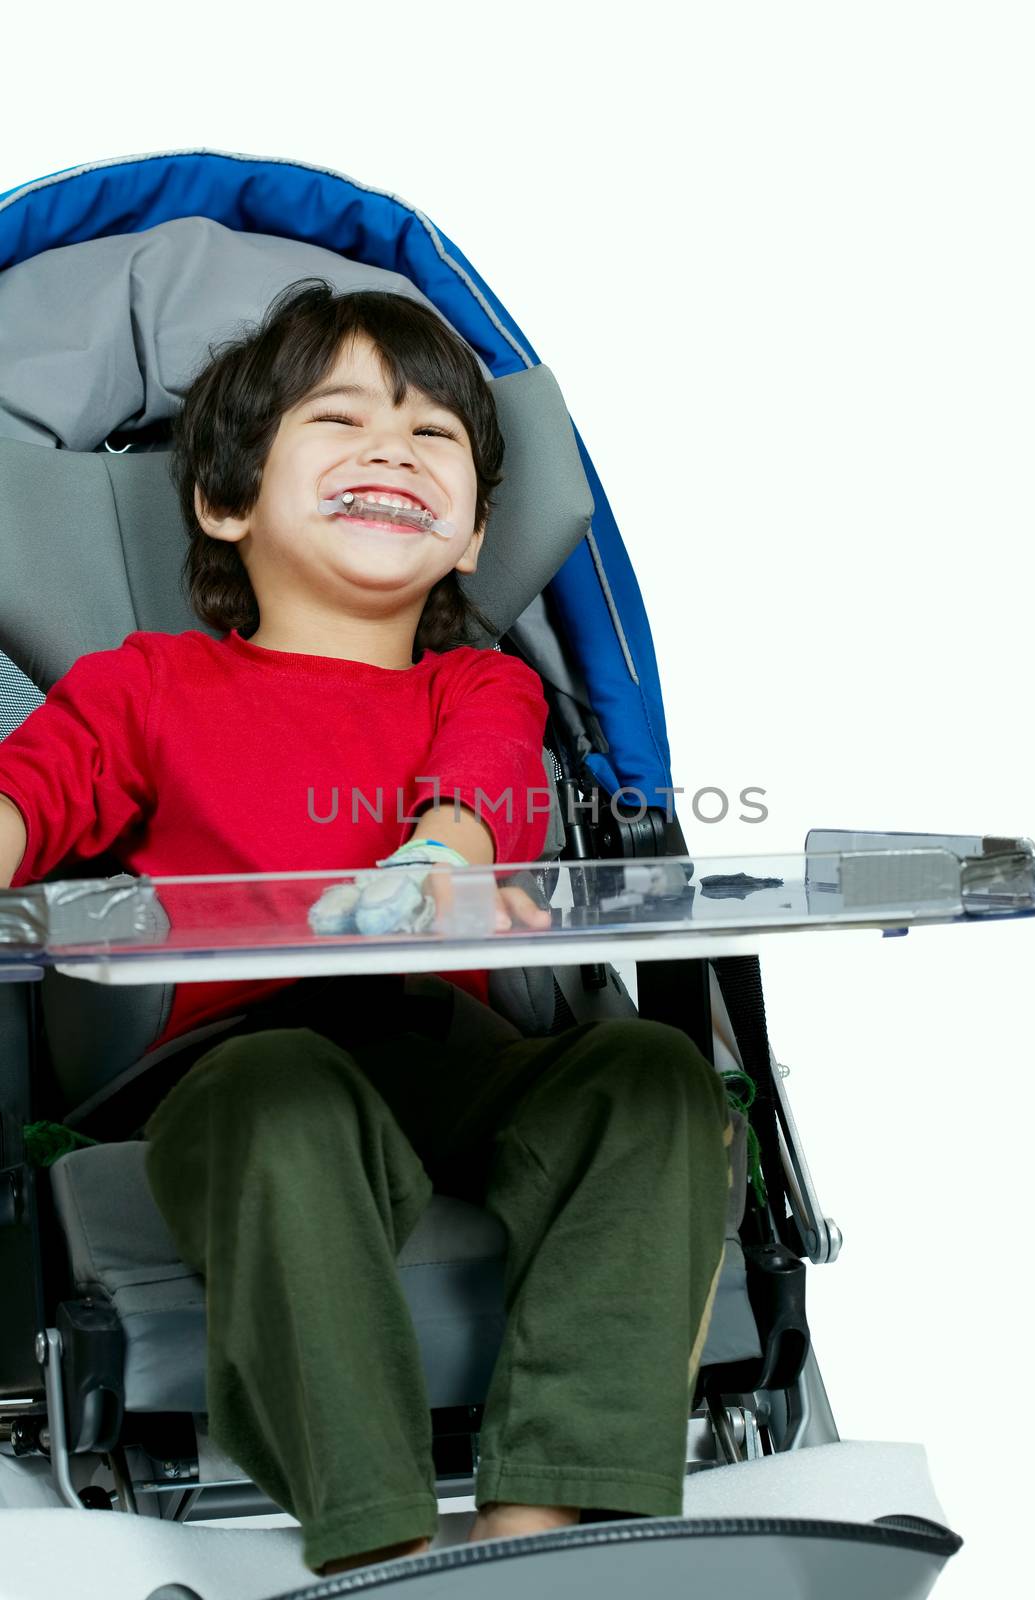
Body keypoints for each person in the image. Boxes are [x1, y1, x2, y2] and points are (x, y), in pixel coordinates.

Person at [0, 281, 732, 1576]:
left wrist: (441, 856)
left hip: (447, 1055)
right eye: (337, 420)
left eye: (433, 433)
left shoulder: (481, 684)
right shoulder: (146, 687)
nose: (392, 446)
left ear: (468, 539)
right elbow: (30, 799)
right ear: (225, 503)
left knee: (652, 1079)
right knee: (283, 1096)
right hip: (230, 1064)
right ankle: (381, 1550)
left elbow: (491, 785)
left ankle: (541, 1530)